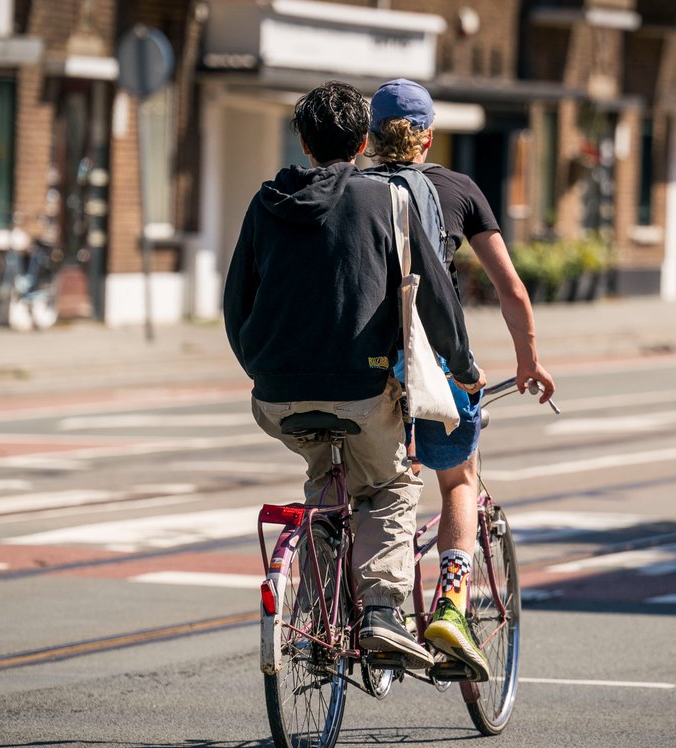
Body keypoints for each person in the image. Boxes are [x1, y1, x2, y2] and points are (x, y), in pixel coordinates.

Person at [223, 81, 485, 671]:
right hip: (362, 390)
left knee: (325, 478)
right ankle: (380, 614)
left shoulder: (265, 203)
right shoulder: (386, 202)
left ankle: (316, 617)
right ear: (364, 141)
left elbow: (235, 302)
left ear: (303, 143)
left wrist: (262, 368)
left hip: (276, 395)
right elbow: (436, 302)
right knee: (390, 486)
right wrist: (463, 369)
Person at [364, 79, 556, 681]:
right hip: (430, 363)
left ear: (368, 137)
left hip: (360, 367)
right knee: (457, 481)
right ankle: (450, 605)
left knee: (368, 487)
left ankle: (355, 607)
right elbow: (511, 289)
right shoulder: (458, 189)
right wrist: (528, 359)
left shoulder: (355, 188)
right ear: (427, 136)